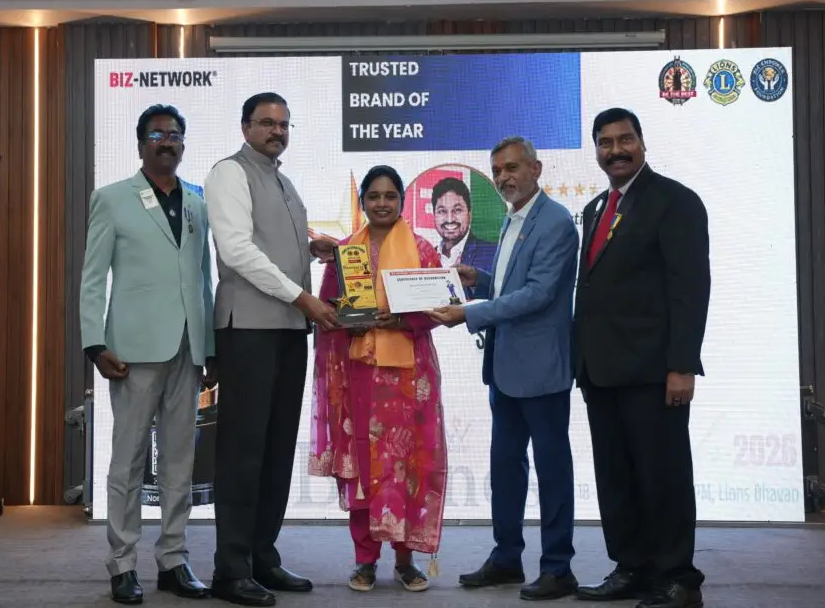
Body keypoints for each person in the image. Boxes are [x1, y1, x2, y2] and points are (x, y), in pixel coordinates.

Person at [203, 92, 340, 607]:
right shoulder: (229, 173)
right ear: (245, 127)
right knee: (243, 451)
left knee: (278, 447)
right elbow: (237, 250)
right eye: (266, 122)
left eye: (284, 123)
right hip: (249, 330)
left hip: (287, 329)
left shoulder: (282, 180)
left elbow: (273, 240)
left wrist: (311, 246)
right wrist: (303, 296)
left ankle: (263, 557)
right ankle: (230, 569)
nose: (276, 131)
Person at [429, 137, 580, 600]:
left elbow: (538, 295)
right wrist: (484, 281)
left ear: (536, 168)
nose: (503, 178)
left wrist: (470, 311)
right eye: (497, 171)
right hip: (506, 368)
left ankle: (557, 566)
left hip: (542, 370)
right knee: (506, 467)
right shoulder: (514, 220)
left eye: (512, 168)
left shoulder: (554, 222)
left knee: (551, 469)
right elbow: (515, 286)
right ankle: (506, 557)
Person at [573, 108, 710, 608]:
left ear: (643, 143)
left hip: (655, 373)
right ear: (596, 152)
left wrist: (682, 364)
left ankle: (678, 580)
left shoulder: (675, 202)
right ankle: (631, 567)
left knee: (663, 477)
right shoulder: (594, 210)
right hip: (600, 371)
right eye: (605, 143)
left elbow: (690, 290)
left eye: (625, 139)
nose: (616, 150)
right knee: (616, 479)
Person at [80, 104, 214, 604]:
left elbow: (203, 280)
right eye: (158, 134)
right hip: (131, 351)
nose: (168, 142)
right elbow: (93, 277)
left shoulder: (197, 203)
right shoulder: (112, 199)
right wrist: (94, 342)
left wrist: (212, 348)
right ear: (141, 144)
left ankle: (174, 560)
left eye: (176, 134)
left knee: (181, 461)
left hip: (188, 348)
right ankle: (122, 564)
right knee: (129, 460)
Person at [309, 165, 449, 594]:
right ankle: (364, 561)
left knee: (406, 466)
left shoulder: (423, 250)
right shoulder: (344, 252)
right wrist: (345, 321)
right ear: (362, 202)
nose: (382, 203)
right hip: (358, 377)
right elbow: (328, 310)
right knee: (363, 468)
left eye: (390, 196)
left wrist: (400, 318)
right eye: (374, 196)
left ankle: (406, 562)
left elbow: (438, 311)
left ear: (402, 202)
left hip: (408, 378)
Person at [429, 176, 496, 272]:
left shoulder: (492, 253)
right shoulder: (425, 258)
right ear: (434, 215)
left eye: (457, 210)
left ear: (469, 214)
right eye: (442, 211)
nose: (449, 219)